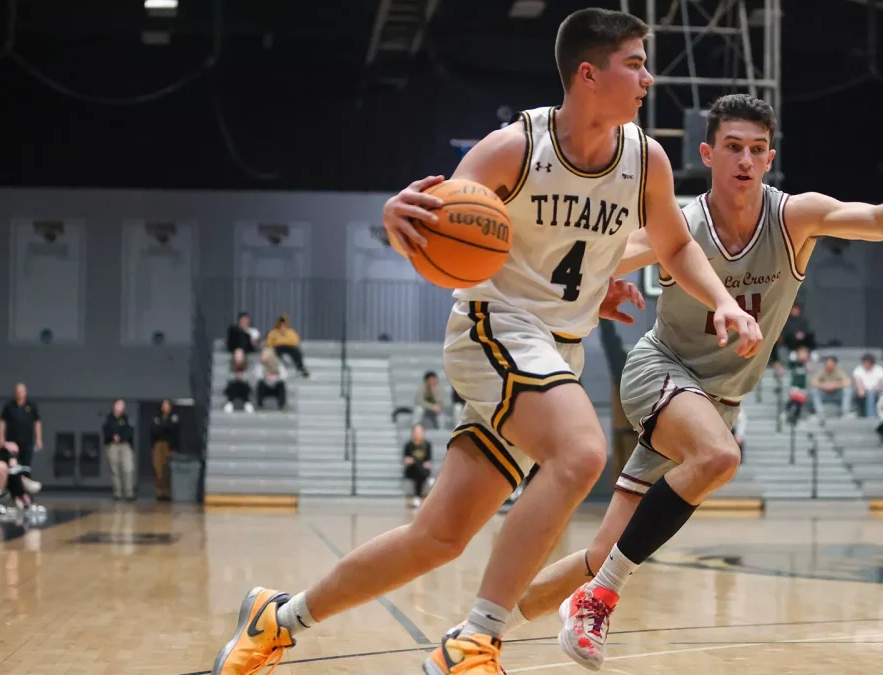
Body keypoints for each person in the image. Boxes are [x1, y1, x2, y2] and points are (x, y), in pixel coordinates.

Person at [209, 9, 763, 675]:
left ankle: (279, 617)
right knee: (582, 452)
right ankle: (475, 639)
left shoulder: (645, 160)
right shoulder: (514, 147)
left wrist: (721, 301)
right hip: (493, 329)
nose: (649, 76)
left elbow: (673, 245)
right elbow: (436, 219)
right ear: (589, 74)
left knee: (437, 536)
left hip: (557, 351)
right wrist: (395, 221)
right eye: (635, 63)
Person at [500, 94, 883, 670]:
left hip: (720, 397)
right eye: (733, 147)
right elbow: (593, 258)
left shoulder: (794, 217)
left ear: (769, 159)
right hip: (660, 371)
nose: (744, 159)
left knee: (601, 549)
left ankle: (482, 626)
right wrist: (595, 286)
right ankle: (601, 598)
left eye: (756, 149)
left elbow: (880, 219)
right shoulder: (680, 224)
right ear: (708, 154)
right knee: (718, 457)